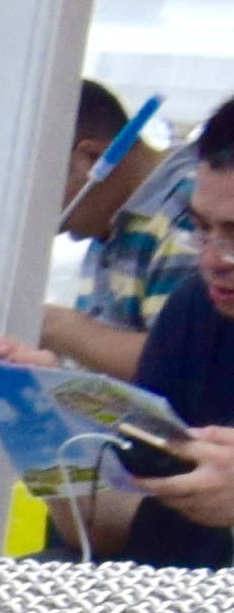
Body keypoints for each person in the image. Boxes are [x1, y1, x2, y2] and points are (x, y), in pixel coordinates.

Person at [31, 107, 234, 564]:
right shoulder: (194, 311)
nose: (212, 259)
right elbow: (107, 534)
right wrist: (45, 433)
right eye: (201, 230)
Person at [57, 81, 196, 376]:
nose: (53, 223)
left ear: (91, 158)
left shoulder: (185, 211)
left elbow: (176, 363)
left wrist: (59, 328)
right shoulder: (108, 221)